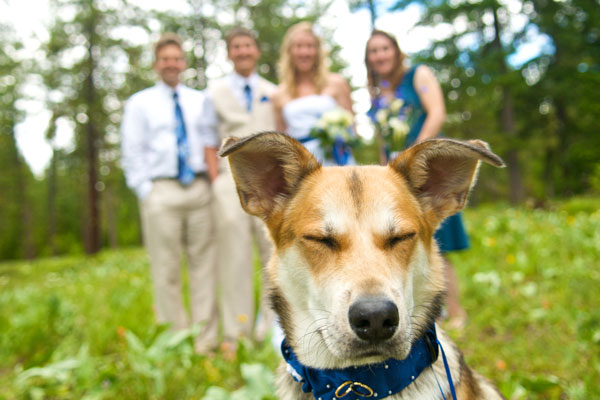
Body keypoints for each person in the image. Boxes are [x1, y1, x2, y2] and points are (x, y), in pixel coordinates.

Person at [121, 33, 219, 352]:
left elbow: (211, 141)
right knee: (166, 269)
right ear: (156, 64)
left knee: (204, 265)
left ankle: (206, 340)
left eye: (176, 58)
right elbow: (132, 150)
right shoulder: (140, 103)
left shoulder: (200, 100)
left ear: (184, 63)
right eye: (165, 59)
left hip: (200, 189)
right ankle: (176, 339)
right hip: (161, 190)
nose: (171, 64)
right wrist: (145, 191)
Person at [365, 30, 468, 329]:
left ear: (396, 51)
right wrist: (386, 172)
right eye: (373, 51)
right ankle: (425, 312)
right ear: (368, 59)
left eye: (385, 48)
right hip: (396, 174)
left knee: (436, 242)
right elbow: (382, 139)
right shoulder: (377, 91)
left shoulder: (418, 75)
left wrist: (415, 156)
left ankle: (456, 312)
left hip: (426, 172)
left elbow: (437, 113)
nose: (380, 55)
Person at [202, 27, 277, 354]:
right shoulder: (214, 93)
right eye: (236, 46)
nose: (243, 51)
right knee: (234, 257)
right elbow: (207, 140)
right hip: (229, 183)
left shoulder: (274, 92)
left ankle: (274, 328)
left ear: (256, 51)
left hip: (271, 185)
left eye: (248, 45)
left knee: (273, 252)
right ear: (229, 53)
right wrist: (216, 179)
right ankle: (236, 332)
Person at [273, 22, 355, 165]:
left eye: (310, 46)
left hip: (337, 160)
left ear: (318, 51)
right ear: (290, 51)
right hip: (301, 164)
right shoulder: (278, 94)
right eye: (299, 46)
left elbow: (352, 128)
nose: (304, 52)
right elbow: (281, 143)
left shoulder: (337, 83)